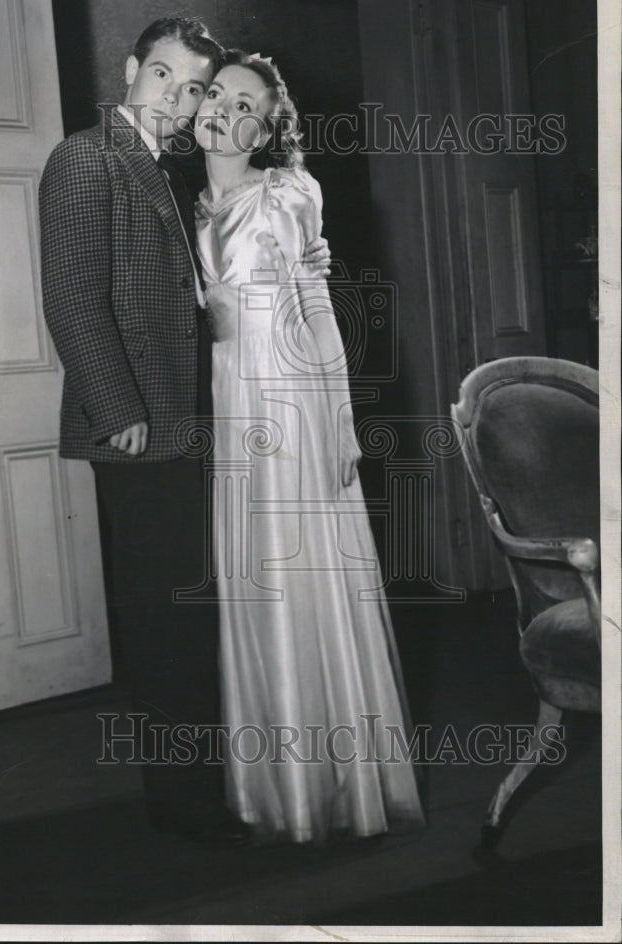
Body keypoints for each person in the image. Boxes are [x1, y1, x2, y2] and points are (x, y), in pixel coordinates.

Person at [39, 19, 329, 846]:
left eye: (193, 86)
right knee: (165, 623)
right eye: (162, 77)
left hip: (190, 422)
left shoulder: (164, 169)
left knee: (190, 617)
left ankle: (213, 786)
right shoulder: (85, 158)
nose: (177, 98)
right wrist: (117, 408)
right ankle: (185, 809)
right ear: (131, 71)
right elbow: (71, 298)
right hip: (139, 426)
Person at [193, 50, 426, 843]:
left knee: (303, 575)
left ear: (267, 125)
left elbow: (318, 304)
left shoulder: (290, 191)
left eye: (246, 103)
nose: (226, 110)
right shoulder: (174, 202)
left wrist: (339, 420)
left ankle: (335, 786)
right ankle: (271, 788)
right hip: (230, 406)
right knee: (252, 580)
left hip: (292, 398)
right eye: (217, 93)